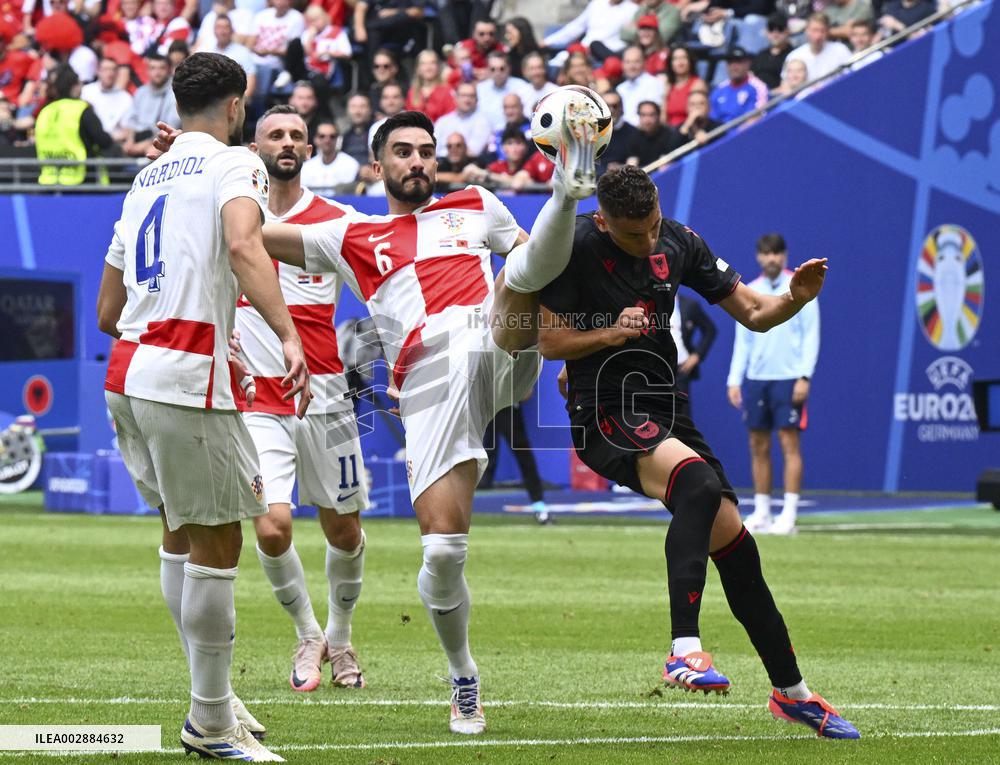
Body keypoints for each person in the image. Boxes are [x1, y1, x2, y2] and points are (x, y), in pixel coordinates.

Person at [255, 99, 602, 734]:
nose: (417, 162)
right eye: (402, 152)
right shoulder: (351, 235)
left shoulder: (476, 203)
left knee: (518, 275)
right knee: (442, 552)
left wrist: (567, 338)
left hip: (495, 341)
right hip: (430, 382)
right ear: (376, 166)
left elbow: (543, 273)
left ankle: (566, 189)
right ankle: (463, 676)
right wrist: (202, 175)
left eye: (425, 152)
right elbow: (250, 235)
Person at [537, 165, 859, 740]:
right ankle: (683, 649)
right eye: (633, 234)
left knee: (739, 551)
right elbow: (546, 340)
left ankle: (794, 696)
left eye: (652, 225)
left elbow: (755, 313)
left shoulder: (679, 241)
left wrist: (795, 298)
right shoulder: (574, 243)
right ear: (603, 222)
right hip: (604, 407)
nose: (647, 241)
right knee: (698, 483)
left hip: (666, 406)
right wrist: (610, 333)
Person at [97, 51, 308, 761]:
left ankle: (213, 696)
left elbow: (107, 311)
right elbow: (245, 244)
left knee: (179, 534)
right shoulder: (235, 163)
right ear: (237, 105)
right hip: (185, 377)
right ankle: (210, 722)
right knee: (218, 545)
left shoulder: (146, 176)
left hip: (128, 373)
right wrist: (285, 333)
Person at [236, 104, 368, 692]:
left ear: (310, 151)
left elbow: (382, 287)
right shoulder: (234, 216)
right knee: (272, 528)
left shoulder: (337, 221)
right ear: (254, 147)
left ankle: (341, 637)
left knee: (344, 531)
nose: (287, 142)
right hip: (258, 402)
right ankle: (308, 634)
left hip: (328, 398)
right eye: (275, 135)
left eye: (297, 136)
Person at [726, 232, 819, 536]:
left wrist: (804, 375)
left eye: (776, 253)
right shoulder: (751, 290)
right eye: (766, 253)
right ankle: (762, 511)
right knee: (758, 444)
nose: (771, 259)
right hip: (756, 378)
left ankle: (789, 514)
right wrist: (734, 379)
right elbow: (742, 340)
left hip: (789, 378)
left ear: (785, 256)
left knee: (789, 443)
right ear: (758, 257)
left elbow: (811, 335)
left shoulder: (801, 286)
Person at [36, 64, 119, 186]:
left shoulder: (45, 111)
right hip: (82, 180)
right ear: (74, 87)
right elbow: (103, 141)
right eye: (80, 84)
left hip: (49, 180)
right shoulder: (81, 109)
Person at [479, 396, 549, 523]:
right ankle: (457, 507)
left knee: (522, 452)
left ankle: (539, 505)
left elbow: (527, 393)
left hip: (506, 403)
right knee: (477, 449)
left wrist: (523, 389)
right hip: (483, 402)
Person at [121, 53, 180, 158]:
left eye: (161, 68)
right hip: (137, 138)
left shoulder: (175, 93)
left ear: (169, 70)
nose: (157, 73)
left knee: (152, 152)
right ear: (147, 71)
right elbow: (130, 119)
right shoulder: (141, 92)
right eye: (153, 68)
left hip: (162, 141)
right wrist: (130, 140)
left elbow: (172, 126)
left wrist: (144, 145)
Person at [464, 124, 553, 191]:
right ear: (503, 147)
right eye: (510, 143)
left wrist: (486, 174)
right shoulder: (497, 166)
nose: (514, 148)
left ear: (526, 147)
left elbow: (517, 183)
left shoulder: (531, 165)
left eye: (518, 143)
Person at [543, 0, 640, 62]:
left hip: (606, 56)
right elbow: (577, 26)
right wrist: (548, 41)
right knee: (557, 61)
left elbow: (628, 41)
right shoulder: (596, 3)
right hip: (583, 51)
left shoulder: (633, 10)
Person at [671, 291, 717, 397]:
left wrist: (697, 355)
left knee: (680, 406)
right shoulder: (648, 304)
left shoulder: (689, 305)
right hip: (655, 369)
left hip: (680, 370)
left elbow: (710, 329)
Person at [434, 81, 493, 159]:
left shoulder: (483, 122)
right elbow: (433, 148)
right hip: (440, 163)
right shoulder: (443, 121)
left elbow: (473, 151)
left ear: (476, 100)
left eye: (471, 96)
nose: (467, 100)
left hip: (469, 164)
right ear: (455, 98)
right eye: (463, 95)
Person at [784, 13, 851, 81]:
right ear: (806, 31)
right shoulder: (794, 56)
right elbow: (786, 84)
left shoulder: (840, 50)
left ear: (827, 32)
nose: (818, 35)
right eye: (814, 30)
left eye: (822, 31)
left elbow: (851, 73)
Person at [709, 47, 769, 124]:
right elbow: (711, 118)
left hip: (746, 130)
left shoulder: (758, 87)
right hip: (719, 130)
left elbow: (756, 118)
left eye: (738, 62)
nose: (734, 67)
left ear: (747, 64)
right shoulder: (719, 89)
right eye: (730, 62)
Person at [476, 50, 532, 130]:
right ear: (487, 70)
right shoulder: (480, 89)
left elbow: (527, 114)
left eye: (502, 69)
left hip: (517, 132)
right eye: (493, 69)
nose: (497, 73)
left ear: (509, 68)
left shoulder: (522, 86)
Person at [300, 118, 360, 192]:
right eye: (322, 136)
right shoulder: (306, 168)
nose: (327, 140)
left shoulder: (351, 165)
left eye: (332, 136)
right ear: (315, 139)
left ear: (338, 139)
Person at [81, 56, 133, 138]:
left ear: (117, 73)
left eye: (113, 70)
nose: (110, 74)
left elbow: (128, 130)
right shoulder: (86, 92)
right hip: (89, 139)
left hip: (114, 141)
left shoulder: (126, 98)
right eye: (106, 69)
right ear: (98, 71)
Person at [616, 44, 665, 127]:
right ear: (622, 64)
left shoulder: (654, 84)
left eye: (636, 62)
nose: (632, 66)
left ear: (644, 63)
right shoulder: (620, 88)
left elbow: (653, 117)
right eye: (628, 62)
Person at [626, 100, 682, 167]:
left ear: (658, 116)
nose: (647, 120)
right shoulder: (634, 137)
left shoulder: (669, 135)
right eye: (643, 115)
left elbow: (665, 166)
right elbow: (632, 163)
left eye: (651, 115)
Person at [406, 49, 455, 123]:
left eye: (432, 63)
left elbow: (451, 118)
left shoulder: (447, 91)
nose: (428, 67)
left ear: (438, 67)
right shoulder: (412, 92)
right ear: (418, 69)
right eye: (424, 64)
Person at [662, 45, 703, 127]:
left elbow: (698, 116)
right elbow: (663, 120)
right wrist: (664, 98)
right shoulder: (668, 86)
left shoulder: (697, 84)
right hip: (670, 131)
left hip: (689, 130)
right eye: (675, 59)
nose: (680, 62)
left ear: (690, 61)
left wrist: (682, 130)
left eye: (684, 58)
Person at [751, 13, 792, 91]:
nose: (775, 34)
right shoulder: (760, 55)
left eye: (780, 29)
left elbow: (789, 86)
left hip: (779, 97)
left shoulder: (793, 55)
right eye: (771, 29)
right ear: (766, 31)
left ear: (787, 31)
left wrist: (768, 94)